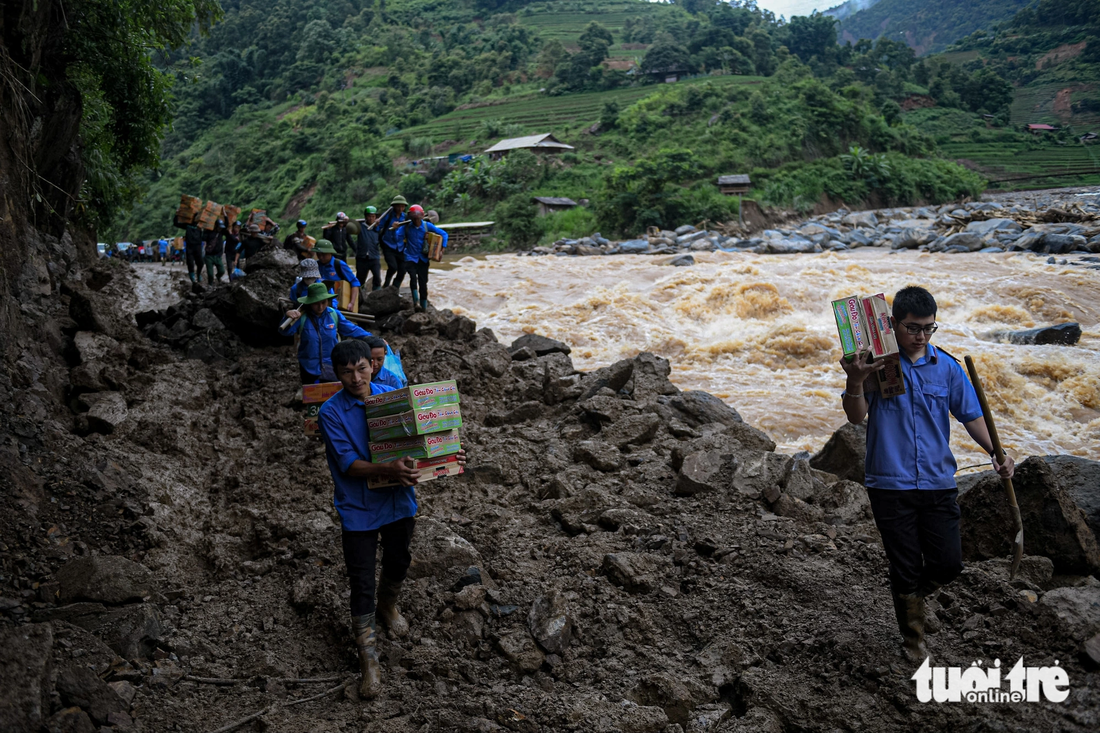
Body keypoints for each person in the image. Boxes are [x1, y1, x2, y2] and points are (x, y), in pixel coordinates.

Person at [839, 285, 1015, 663]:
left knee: (948, 564)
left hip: (938, 480)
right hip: (889, 482)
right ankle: (913, 640)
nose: (920, 336)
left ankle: (913, 600)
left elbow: (971, 415)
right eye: (913, 328)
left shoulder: (947, 367)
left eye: (928, 328)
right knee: (904, 564)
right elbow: (856, 416)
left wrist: (997, 453)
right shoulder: (875, 365)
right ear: (892, 324)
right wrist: (855, 379)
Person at [318, 337, 467, 699]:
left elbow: (420, 440)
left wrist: (448, 456)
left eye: (362, 368)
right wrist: (389, 467)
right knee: (361, 581)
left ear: (372, 365)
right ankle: (368, 659)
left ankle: (389, 605)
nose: (356, 378)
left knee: (399, 559)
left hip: (399, 500)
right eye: (347, 372)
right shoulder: (330, 412)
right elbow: (349, 465)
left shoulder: (391, 396)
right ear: (337, 375)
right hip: (358, 507)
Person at [279, 282, 372, 384]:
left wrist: (371, 338)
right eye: (316, 303)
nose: (320, 307)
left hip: (331, 366)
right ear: (310, 302)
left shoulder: (333, 315)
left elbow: (352, 329)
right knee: (311, 396)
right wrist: (287, 316)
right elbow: (284, 332)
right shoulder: (302, 317)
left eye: (323, 302)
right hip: (308, 366)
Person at [398, 204, 447, 312]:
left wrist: (441, 250)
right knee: (413, 277)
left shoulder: (427, 226)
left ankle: (424, 307)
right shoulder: (406, 226)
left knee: (423, 283)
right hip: (410, 257)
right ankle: (416, 302)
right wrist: (397, 227)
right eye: (413, 219)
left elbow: (444, 234)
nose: (416, 221)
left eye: (417, 218)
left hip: (423, 258)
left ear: (421, 217)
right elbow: (398, 235)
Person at [313, 239, 360, 311]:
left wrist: (352, 303)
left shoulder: (339, 265)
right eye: (318, 255)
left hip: (338, 302)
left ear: (330, 253)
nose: (321, 257)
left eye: (323, 255)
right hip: (321, 304)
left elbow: (355, 283)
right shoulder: (315, 265)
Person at [377, 195, 408, 288]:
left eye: (402, 206)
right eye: (398, 206)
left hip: (400, 246)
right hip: (388, 245)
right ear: (394, 206)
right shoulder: (388, 216)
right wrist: (377, 223)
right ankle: (386, 284)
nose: (400, 208)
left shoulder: (405, 217)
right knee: (393, 267)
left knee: (402, 270)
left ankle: (394, 288)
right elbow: (378, 227)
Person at [173, 211, 205, 283]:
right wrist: (177, 214)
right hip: (190, 247)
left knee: (200, 262)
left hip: (198, 246)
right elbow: (176, 223)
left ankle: (199, 274)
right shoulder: (188, 225)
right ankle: (192, 277)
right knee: (190, 262)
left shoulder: (200, 226)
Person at [355, 206, 382, 293]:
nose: (371, 218)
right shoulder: (360, 227)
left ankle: (376, 295)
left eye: (373, 216)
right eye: (369, 216)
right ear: (365, 217)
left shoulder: (377, 228)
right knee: (360, 279)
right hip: (362, 258)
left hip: (374, 257)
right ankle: (359, 297)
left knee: (377, 278)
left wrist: (378, 225)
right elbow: (349, 227)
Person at [202, 220, 227, 284]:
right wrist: (205, 229)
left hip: (218, 256)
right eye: (219, 227)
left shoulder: (221, 232)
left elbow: (227, 225)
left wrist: (225, 217)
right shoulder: (209, 232)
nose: (220, 228)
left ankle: (218, 277)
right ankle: (210, 285)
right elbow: (203, 238)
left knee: (222, 271)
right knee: (210, 274)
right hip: (209, 256)